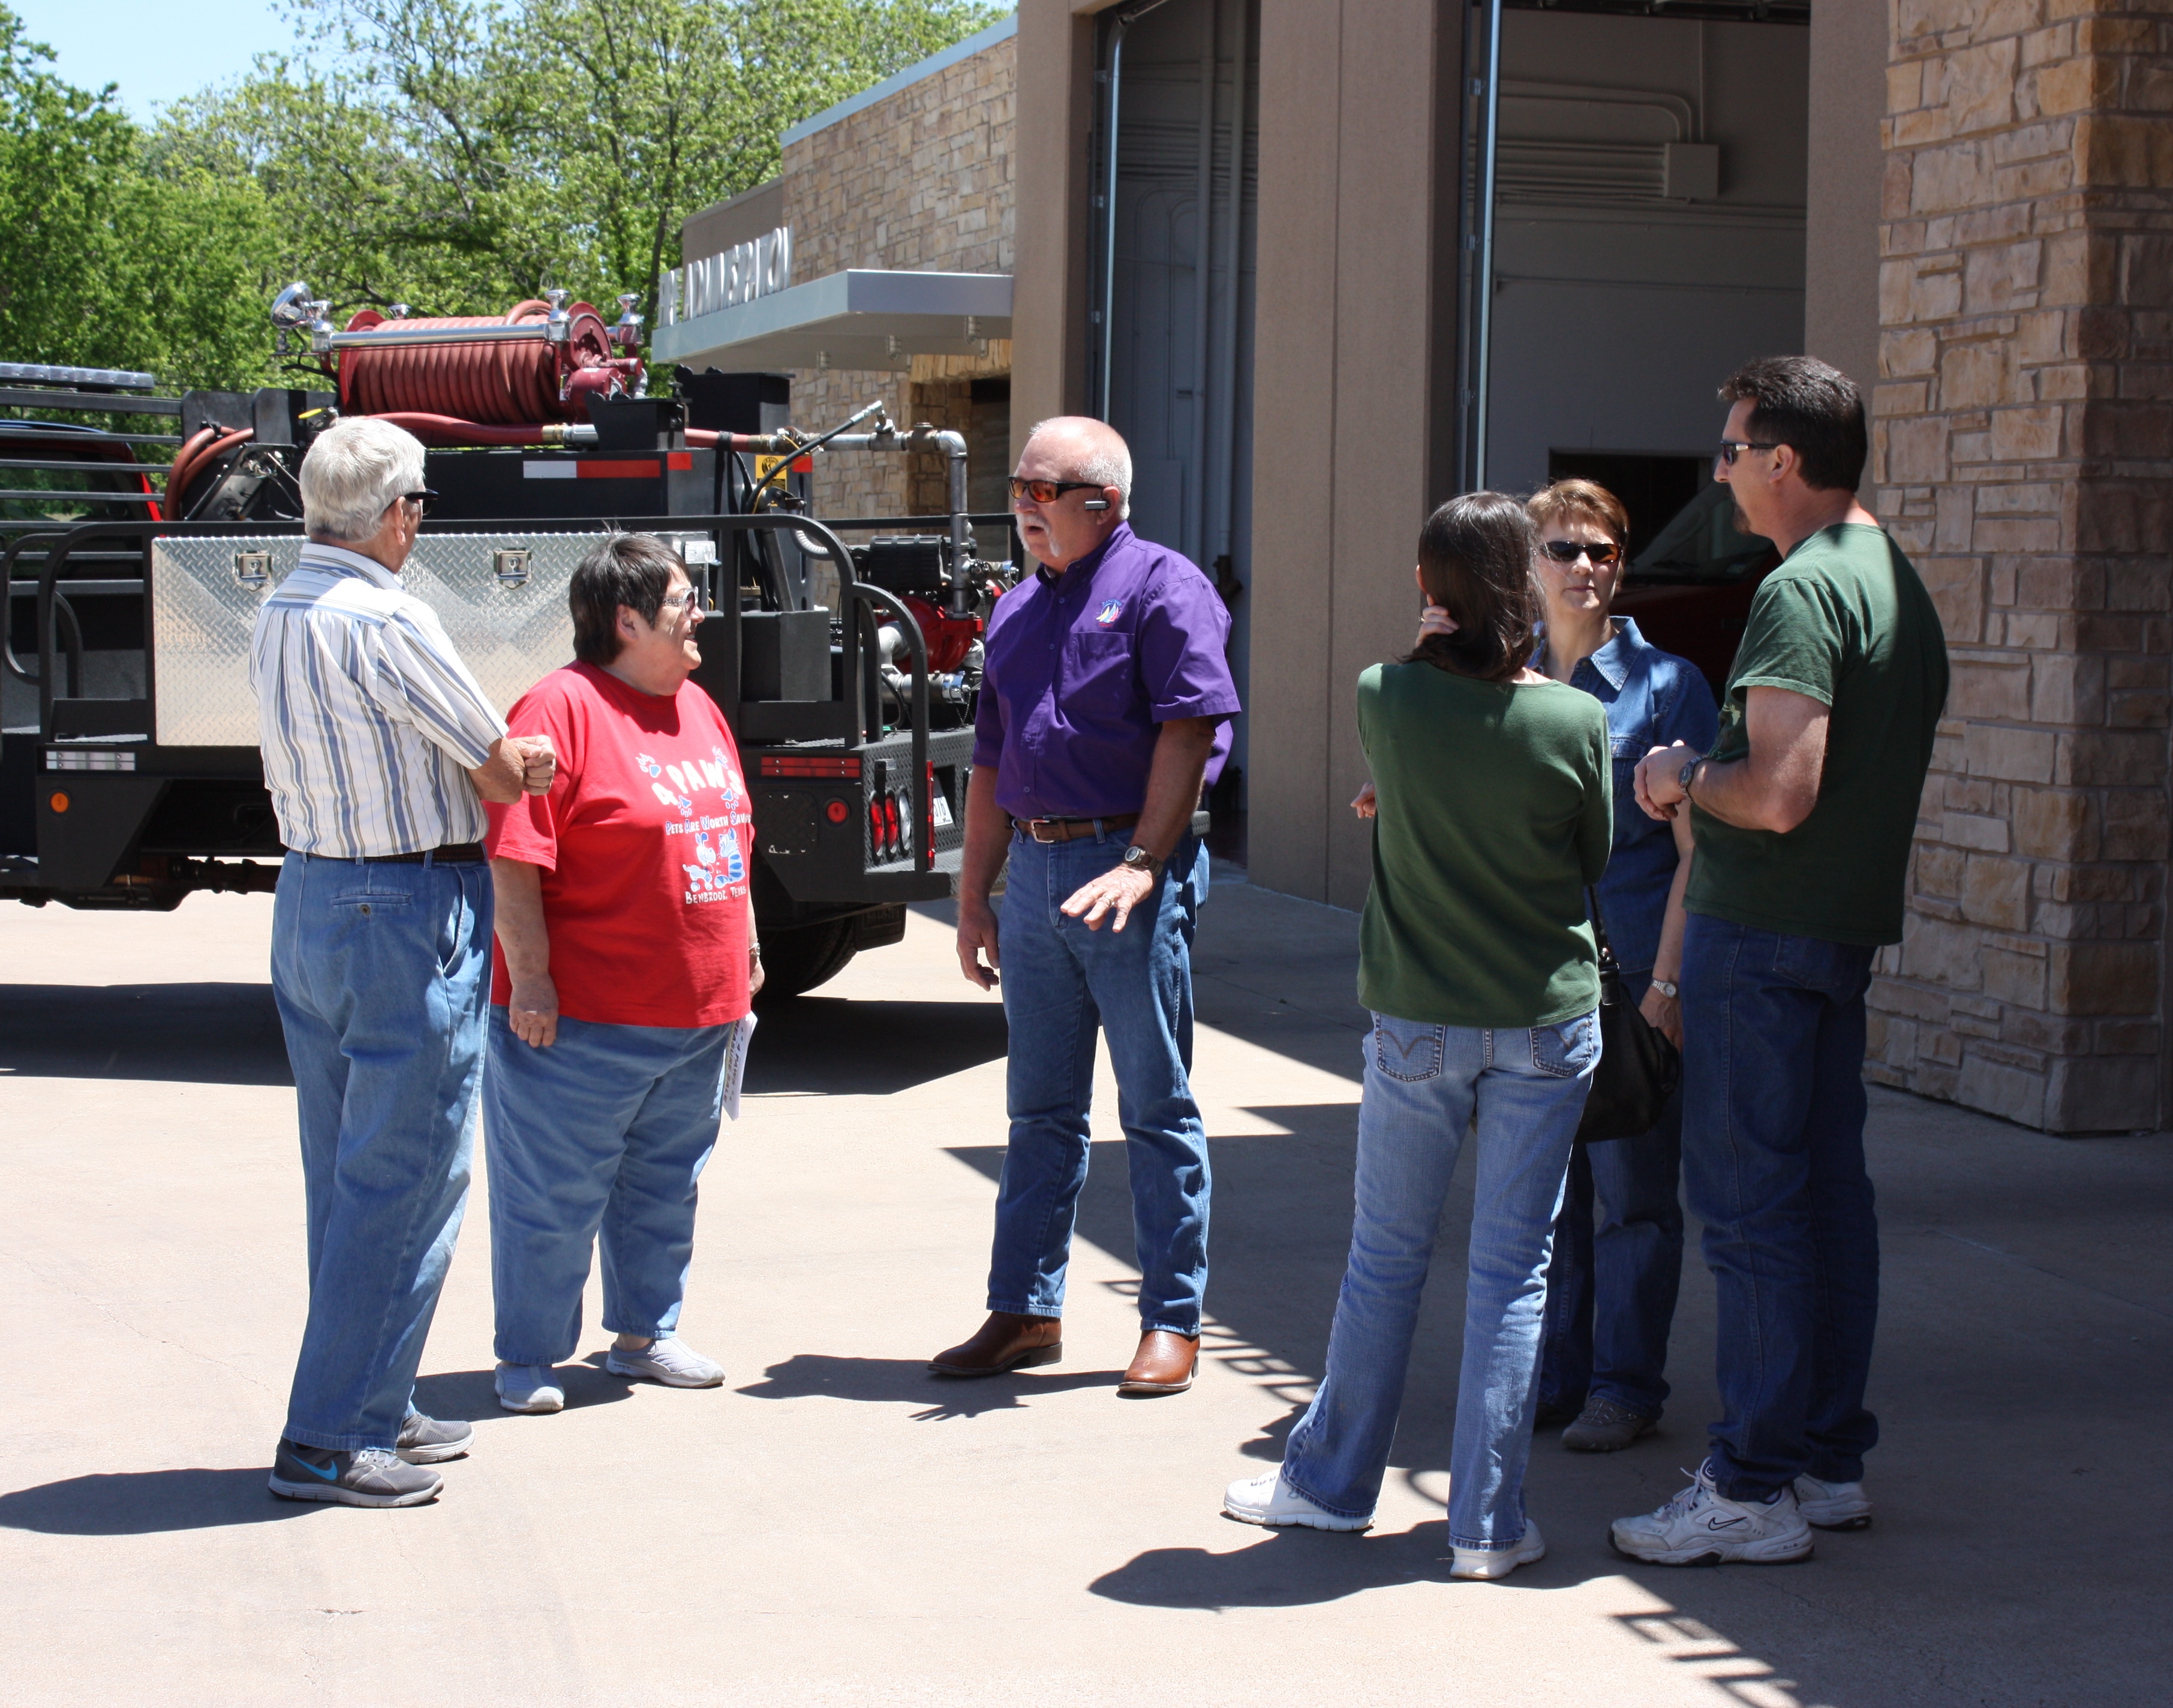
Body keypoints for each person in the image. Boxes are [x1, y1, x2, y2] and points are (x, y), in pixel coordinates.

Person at [1222, 491, 1611, 1581]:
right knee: (1512, 1273)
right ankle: (1487, 1527)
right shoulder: (1575, 720)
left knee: (1386, 1259)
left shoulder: (1385, 695)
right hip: (1544, 1020)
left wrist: (1423, 648)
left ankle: (1333, 1486)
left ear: (1433, 592)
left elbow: (1404, 735)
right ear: (1524, 579)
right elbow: (1594, 853)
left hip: (1420, 1020)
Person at [1612, 356, 1949, 1565]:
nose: (1722, 471)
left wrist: (1678, 776)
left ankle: (1751, 1481)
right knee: (1824, 1203)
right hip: (1835, 933)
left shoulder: (1802, 590)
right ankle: (1821, 1457)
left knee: (1754, 1215)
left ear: (1786, 462)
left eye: (1734, 450)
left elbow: (1781, 789)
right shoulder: (1890, 577)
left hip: (1762, 940)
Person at [253, 416, 554, 1507]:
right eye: (418, 504)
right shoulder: (386, 616)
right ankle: (331, 1438)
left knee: (346, 1174)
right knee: (409, 1173)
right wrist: (536, 750)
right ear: (392, 514)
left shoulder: (282, 607)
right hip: (404, 902)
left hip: (316, 896)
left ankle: (370, 1399)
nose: (420, 522)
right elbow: (499, 766)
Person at [937, 416, 1240, 1397]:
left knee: (1155, 1105)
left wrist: (1147, 862)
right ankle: (1026, 1308)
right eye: (1018, 487)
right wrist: (974, 892)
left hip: (1125, 868)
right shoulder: (1017, 608)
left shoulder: (1164, 586)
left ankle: (1172, 1319)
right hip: (1034, 871)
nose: (1021, 505)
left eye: (1041, 489)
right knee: (1040, 1109)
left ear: (1102, 503)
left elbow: (1191, 730)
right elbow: (990, 758)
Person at [482, 534, 762, 1415]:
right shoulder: (557, 709)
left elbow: (732, 837)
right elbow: (515, 854)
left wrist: (745, 950)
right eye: (684, 602)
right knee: (552, 1197)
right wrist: (530, 981)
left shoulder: (698, 707)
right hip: (585, 1019)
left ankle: (644, 1335)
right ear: (628, 619)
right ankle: (528, 1356)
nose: (700, 616)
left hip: (696, 1015)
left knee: (664, 1185)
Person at [1513, 482, 1715, 1453]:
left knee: (1633, 1197)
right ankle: (1556, 1378)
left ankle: (1625, 1387)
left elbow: (1696, 856)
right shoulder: (1502, 678)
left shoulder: (1668, 687)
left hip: (1633, 978)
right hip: (1531, 980)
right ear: (1529, 564)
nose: (1584, 567)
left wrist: (1669, 985)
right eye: (1563, 550)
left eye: (1603, 550)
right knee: (1548, 1196)